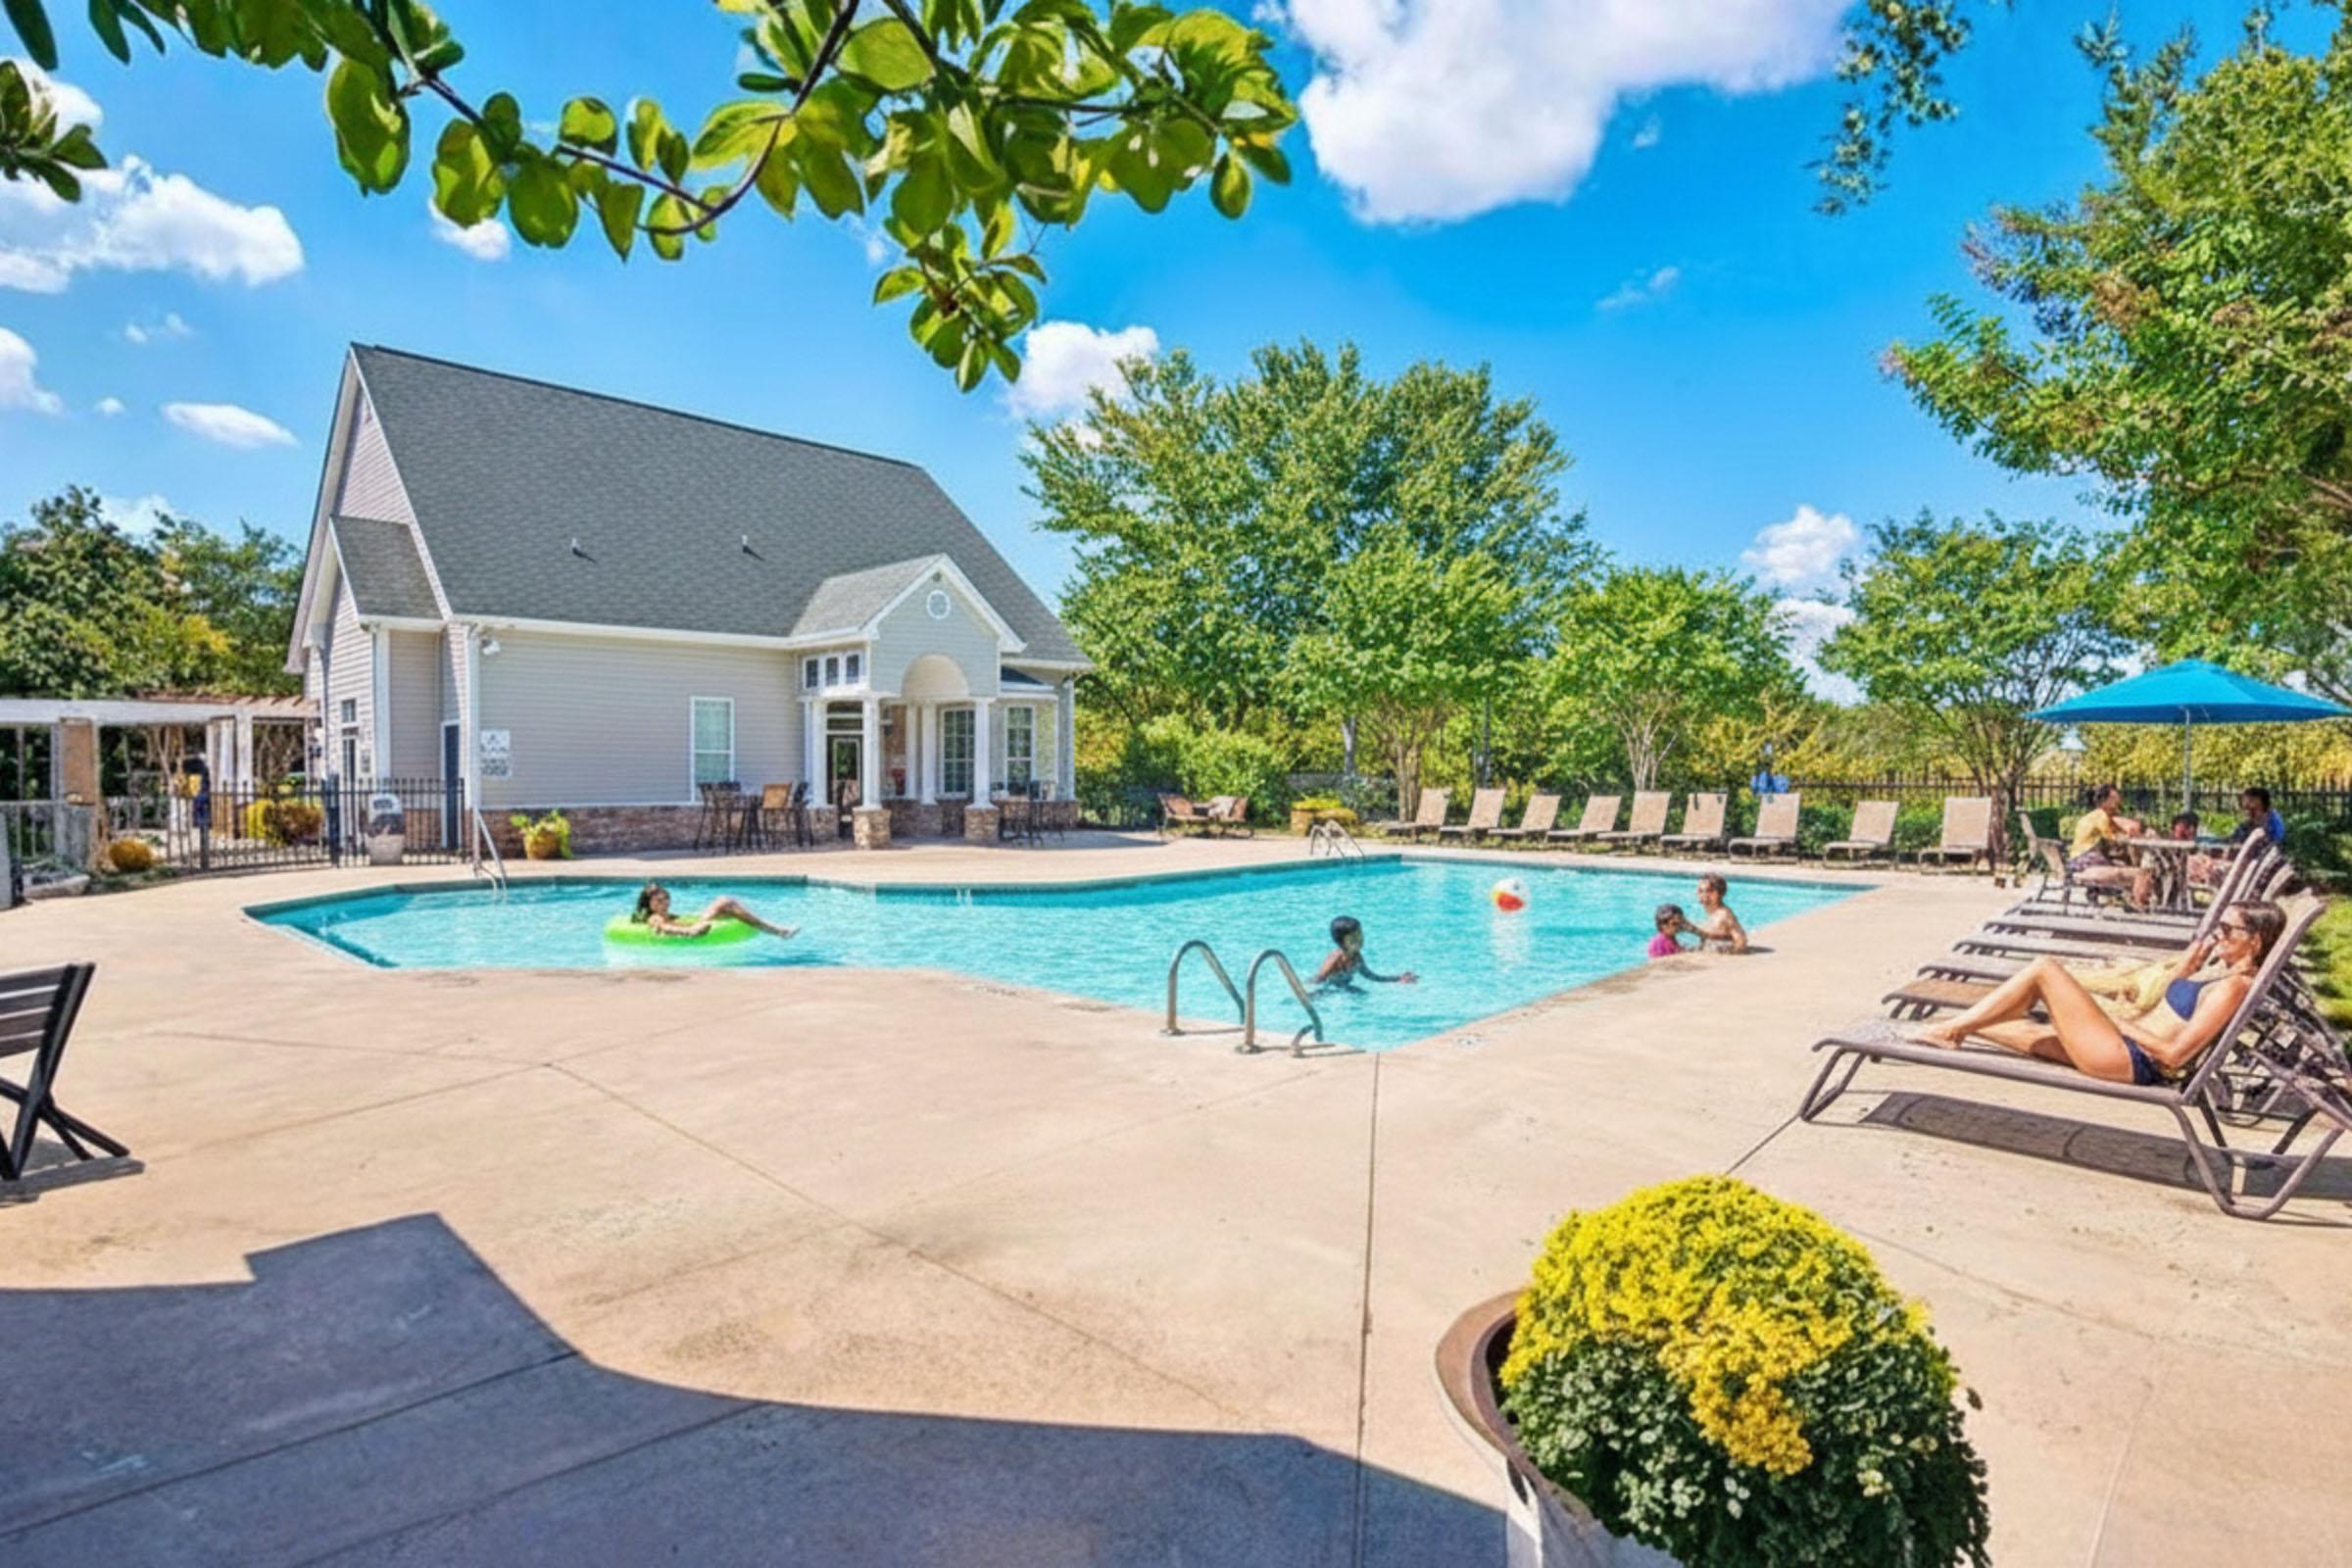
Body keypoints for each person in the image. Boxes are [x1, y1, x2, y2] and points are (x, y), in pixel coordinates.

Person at [1913, 901, 2285, 1085]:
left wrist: (2119, 1022)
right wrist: (2185, 971)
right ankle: (1951, 1028)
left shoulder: (2236, 986)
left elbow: (2176, 1054)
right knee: (1994, 1025)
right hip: (2120, 1044)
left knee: (2045, 969)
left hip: (2128, 1058)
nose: (2218, 934)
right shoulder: (2220, 972)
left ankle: (1949, 1031)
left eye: (2227, 929)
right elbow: (2173, 1013)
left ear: (2254, 941)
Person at [2068, 783, 2146, 907]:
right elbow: (2112, 838)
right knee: (2128, 871)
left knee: (2122, 866)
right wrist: (2126, 838)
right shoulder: (2101, 815)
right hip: (2085, 859)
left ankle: (2126, 896)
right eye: (2114, 799)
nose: (2118, 802)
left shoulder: (2092, 816)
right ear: (2104, 801)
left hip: (2075, 859)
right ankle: (2134, 898)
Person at [629, 881, 797, 939]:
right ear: (648, 903)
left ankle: (777, 930)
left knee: (725, 903)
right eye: (659, 900)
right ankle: (778, 931)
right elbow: (663, 928)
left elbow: (675, 921)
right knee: (725, 902)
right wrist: (691, 932)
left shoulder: (665, 914)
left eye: (666, 898)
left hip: (692, 922)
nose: (665, 903)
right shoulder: (654, 917)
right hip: (692, 928)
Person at [1313, 914, 1418, 988]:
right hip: (1328, 990)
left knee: (1361, 994)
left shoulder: (1356, 957)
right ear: (1341, 941)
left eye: (1360, 936)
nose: (1359, 940)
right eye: (1353, 939)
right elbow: (1318, 979)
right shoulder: (1335, 958)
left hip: (1344, 988)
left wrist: (1397, 979)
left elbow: (1370, 976)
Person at [1683, 872, 1748, 954]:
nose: (1703, 894)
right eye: (1700, 890)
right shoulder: (1712, 912)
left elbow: (1741, 941)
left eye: (1708, 891)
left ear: (1720, 893)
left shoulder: (1724, 915)